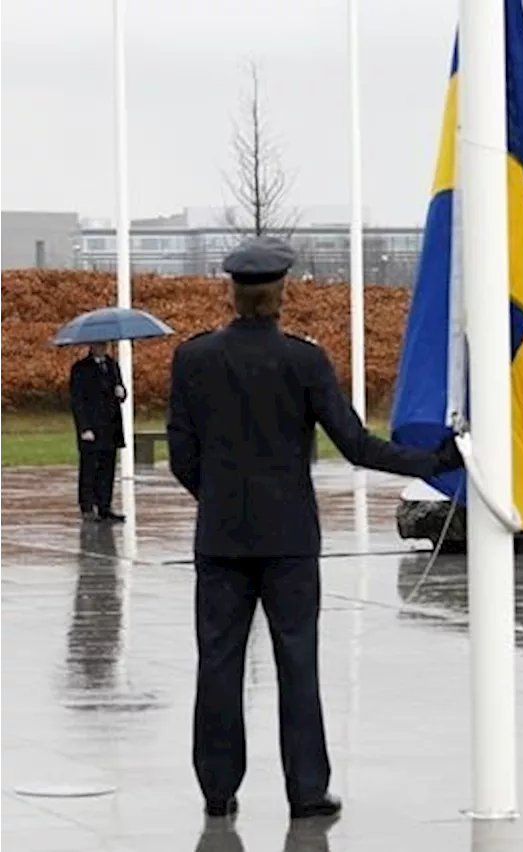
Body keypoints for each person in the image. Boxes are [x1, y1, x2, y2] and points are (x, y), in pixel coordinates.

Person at [165, 236, 464, 820]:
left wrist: (220, 499)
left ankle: (217, 790)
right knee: (297, 663)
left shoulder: (194, 358)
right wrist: (435, 462)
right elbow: (355, 445)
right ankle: (306, 790)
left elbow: (182, 453)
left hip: (223, 538)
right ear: (280, 295)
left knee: (219, 664)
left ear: (233, 291)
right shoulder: (304, 360)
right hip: (290, 540)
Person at [70, 342, 128, 522]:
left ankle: (105, 506)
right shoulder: (81, 369)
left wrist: (121, 391)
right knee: (89, 468)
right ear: (92, 346)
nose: (104, 347)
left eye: (106, 345)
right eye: (100, 345)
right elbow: (78, 401)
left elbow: (120, 391)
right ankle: (87, 506)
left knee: (107, 468)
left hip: (110, 426)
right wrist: (84, 428)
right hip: (92, 427)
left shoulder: (112, 365)